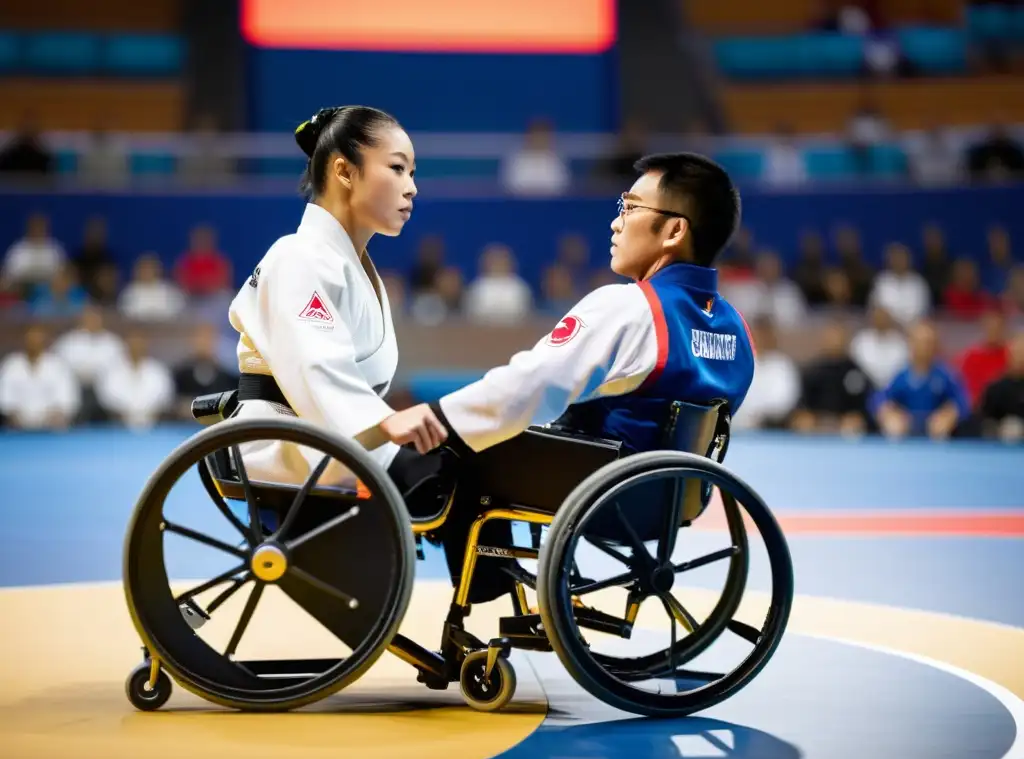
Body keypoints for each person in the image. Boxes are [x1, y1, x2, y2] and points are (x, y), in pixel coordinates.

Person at [381, 153, 755, 602]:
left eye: (631, 208)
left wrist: (436, 416)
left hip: (599, 489)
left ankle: (469, 575)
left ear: (674, 230)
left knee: (442, 448)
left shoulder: (629, 307)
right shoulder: (735, 328)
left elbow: (531, 388)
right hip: (670, 501)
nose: (617, 223)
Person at [227, 105, 447, 493]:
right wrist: (378, 423)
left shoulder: (352, 266)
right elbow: (315, 362)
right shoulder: (297, 255)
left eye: (412, 173)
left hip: (337, 437)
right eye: (397, 168)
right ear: (344, 172)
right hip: (288, 444)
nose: (411, 187)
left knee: (473, 454)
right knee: (456, 476)